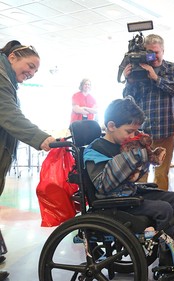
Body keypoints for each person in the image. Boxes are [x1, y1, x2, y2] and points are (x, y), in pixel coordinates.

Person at [83, 97, 174, 273]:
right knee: (164, 209)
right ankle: (166, 259)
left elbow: (131, 176)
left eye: (136, 131)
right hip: (111, 202)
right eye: (129, 131)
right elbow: (104, 184)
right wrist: (136, 156)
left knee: (173, 198)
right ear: (111, 126)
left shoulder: (122, 144)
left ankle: (172, 248)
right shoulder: (95, 150)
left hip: (128, 195)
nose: (133, 136)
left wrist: (146, 160)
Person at [0, 40, 56, 279]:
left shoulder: (7, 80)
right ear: (13, 56)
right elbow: (8, 113)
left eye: (35, 71)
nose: (31, 73)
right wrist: (42, 138)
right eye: (30, 65)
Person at [122, 34, 174, 191]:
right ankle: (142, 210)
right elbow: (128, 100)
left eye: (157, 52)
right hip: (142, 132)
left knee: (162, 174)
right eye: (150, 52)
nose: (154, 56)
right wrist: (129, 81)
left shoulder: (173, 68)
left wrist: (156, 78)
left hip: (166, 130)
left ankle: (161, 207)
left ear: (163, 50)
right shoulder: (137, 70)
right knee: (140, 174)